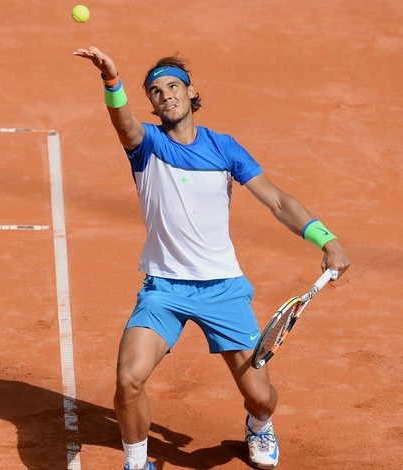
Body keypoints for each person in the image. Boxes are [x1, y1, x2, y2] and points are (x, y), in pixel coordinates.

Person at [73, 46, 351, 470]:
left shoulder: (225, 149)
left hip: (223, 288)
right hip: (164, 289)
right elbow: (122, 121)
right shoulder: (145, 145)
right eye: (155, 91)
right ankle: (136, 462)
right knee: (128, 379)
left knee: (259, 395)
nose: (165, 95)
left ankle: (259, 425)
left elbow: (277, 201)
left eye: (172, 86)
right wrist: (112, 81)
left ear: (190, 92)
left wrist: (325, 238)